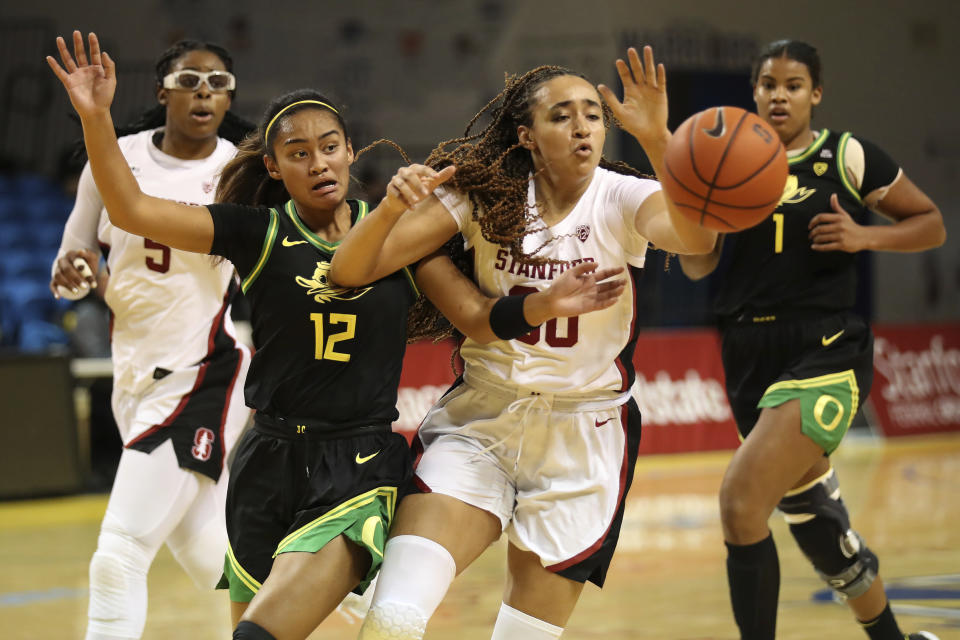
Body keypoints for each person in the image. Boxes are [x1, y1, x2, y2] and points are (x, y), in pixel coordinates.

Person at [47, 31, 626, 640]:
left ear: (350, 153)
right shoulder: (259, 233)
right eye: (297, 153)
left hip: (355, 466)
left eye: (329, 147)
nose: (317, 162)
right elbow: (134, 211)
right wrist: (95, 118)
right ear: (273, 166)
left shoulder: (394, 239)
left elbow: (478, 318)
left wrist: (539, 306)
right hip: (265, 461)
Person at [329, 46, 718, 639]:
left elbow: (694, 238)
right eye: (561, 114)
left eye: (592, 112)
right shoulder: (487, 194)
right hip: (483, 418)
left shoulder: (620, 195)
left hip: (582, 434)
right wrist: (389, 208)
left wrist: (659, 138)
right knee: (393, 619)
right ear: (527, 135)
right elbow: (355, 268)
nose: (582, 125)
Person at [678, 40, 945, 640]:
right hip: (746, 352)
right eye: (768, 83)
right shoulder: (722, 165)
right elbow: (697, 267)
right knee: (820, 526)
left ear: (815, 94)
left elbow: (930, 223)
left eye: (793, 84)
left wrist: (863, 237)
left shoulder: (846, 156)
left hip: (825, 347)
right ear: (753, 92)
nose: (779, 94)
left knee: (740, 504)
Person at [49, 37, 254, 640]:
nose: (205, 92)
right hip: (134, 374)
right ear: (163, 90)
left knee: (118, 554)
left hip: (202, 369)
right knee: (210, 558)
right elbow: (75, 254)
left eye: (219, 83)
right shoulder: (115, 158)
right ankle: (360, 607)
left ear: (229, 98)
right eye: (191, 80)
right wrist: (77, 269)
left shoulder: (240, 174)